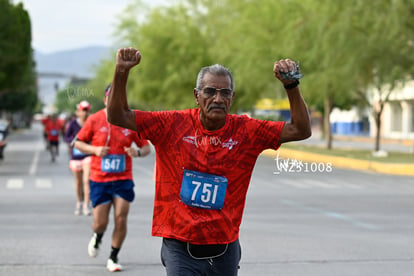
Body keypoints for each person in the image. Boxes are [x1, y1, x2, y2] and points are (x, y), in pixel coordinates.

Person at [107, 47, 312, 275]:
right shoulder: (171, 124)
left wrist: (291, 86)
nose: (218, 98)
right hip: (180, 245)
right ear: (197, 95)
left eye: (225, 93)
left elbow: (300, 130)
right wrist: (121, 72)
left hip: (225, 246)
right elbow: (117, 115)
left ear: (232, 98)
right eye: (210, 91)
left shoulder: (247, 131)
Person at [74, 85, 151, 272]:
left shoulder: (129, 121)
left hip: (123, 179)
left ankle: (113, 257)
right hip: (100, 179)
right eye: (112, 97)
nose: (115, 101)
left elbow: (146, 147)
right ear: (105, 100)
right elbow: (78, 142)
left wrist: (138, 152)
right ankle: (98, 235)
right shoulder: (94, 120)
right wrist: (95, 150)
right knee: (101, 223)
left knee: (121, 218)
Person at [64, 100, 92, 216]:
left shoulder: (91, 123)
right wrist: (74, 143)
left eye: (87, 110)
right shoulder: (72, 124)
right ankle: (79, 202)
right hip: (75, 157)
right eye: (83, 110)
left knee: (87, 181)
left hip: (88, 156)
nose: (85, 113)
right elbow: (66, 137)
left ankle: (86, 204)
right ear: (78, 112)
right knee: (78, 182)